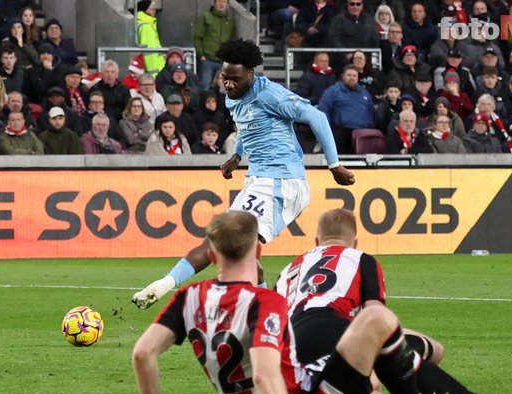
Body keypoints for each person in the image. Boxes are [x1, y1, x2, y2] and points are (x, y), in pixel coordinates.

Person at [132, 211, 480, 394]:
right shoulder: (265, 302)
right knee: (377, 321)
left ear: (211, 254)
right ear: (259, 249)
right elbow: (267, 376)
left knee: (375, 337)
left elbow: (142, 354)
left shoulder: (188, 297)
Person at [275, 208, 512, 394]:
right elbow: (375, 318)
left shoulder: (288, 270)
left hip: (292, 354)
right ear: (355, 242)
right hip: (335, 334)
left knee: (425, 347)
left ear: (315, 240)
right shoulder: (361, 259)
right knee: (391, 345)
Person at [132, 39, 354, 309]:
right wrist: (237, 156)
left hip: (280, 182)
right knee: (241, 255)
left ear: (251, 74)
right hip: (259, 180)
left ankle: (164, 284)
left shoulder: (271, 95)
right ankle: (269, 310)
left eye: (235, 79)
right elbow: (245, 126)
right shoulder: (232, 96)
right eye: (225, 78)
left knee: (222, 240)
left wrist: (334, 165)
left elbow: (317, 117)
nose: (228, 84)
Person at [317, 65, 376, 155]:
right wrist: (327, 129)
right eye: (349, 75)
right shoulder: (332, 91)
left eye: (354, 75)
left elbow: (370, 112)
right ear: (343, 76)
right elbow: (323, 109)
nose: (352, 78)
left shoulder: (364, 93)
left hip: (361, 132)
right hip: (340, 132)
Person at [193, 0, 236, 90]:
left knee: (224, 89)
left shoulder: (230, 20)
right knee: (205, 88)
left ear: (228, 5)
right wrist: (201, 55)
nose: (221, 4)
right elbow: (197, 37)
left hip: (224, 61)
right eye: (219, 1)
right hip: (207, 60)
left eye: (224, 2)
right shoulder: (205, 16)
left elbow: (233, 40)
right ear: (214, 3)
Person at [135, 1, 165, 74]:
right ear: (146, 10)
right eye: (153, 9)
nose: (155, 12)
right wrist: (154, 74)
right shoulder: (146, 27)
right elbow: (149, 53)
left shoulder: (146, 25)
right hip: (155, 71)